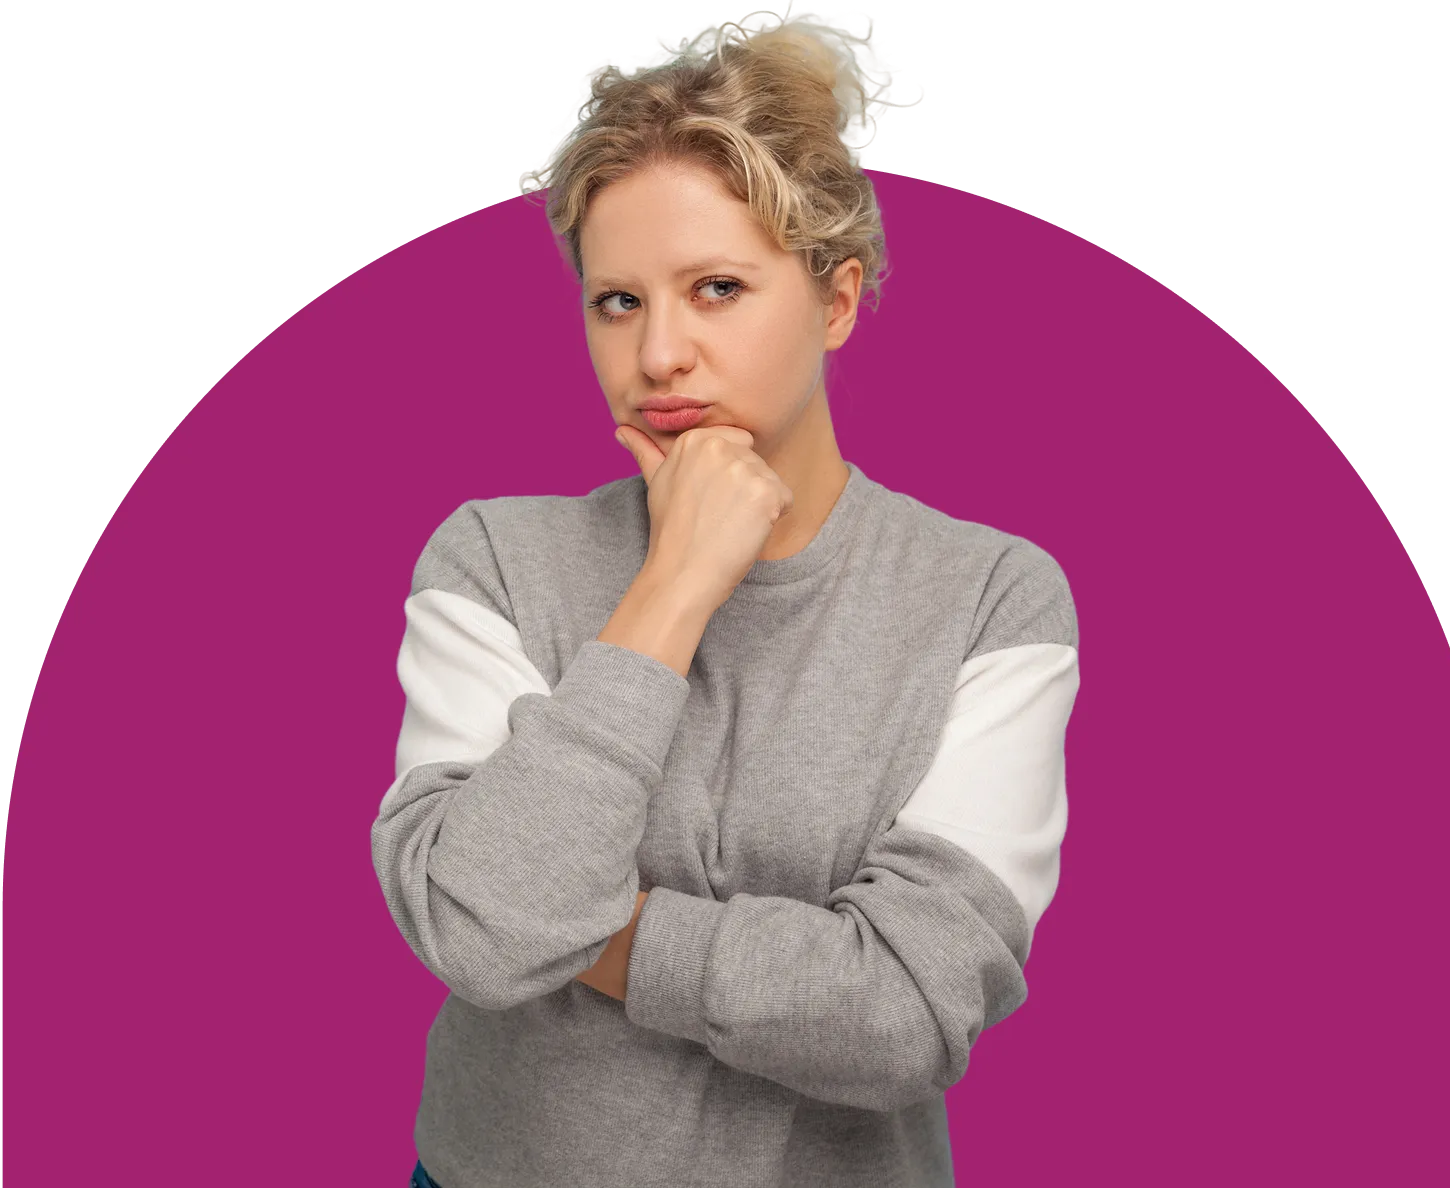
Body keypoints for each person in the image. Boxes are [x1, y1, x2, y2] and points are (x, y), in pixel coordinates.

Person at [372, 11, 1079, 1188]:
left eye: (715, 289)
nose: (659, 357)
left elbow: (903, 1010)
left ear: (836, 301)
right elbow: (489, 932)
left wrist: (596, 928)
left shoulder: (990, 598)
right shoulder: (492, 559)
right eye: (619, 302)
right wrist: (675, 586)